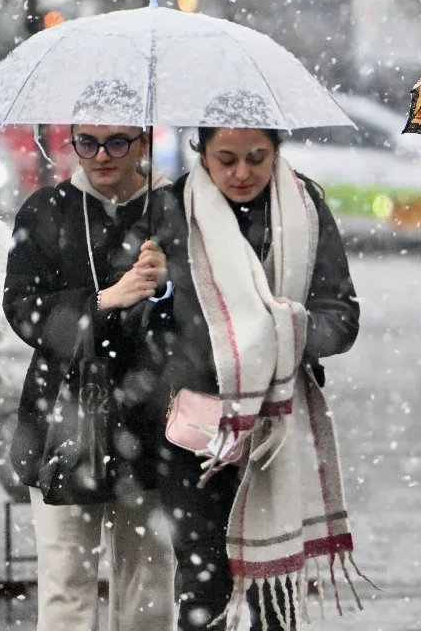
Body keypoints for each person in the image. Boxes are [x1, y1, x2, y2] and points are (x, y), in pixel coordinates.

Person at [151, 95, 360, 630]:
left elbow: (341, 316)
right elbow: (139, 327)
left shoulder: (305, 208)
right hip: (196, 430)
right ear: (201, 152)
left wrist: (285, 333)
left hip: (278, 426)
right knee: (203, 587)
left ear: (277, 150)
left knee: (274, 591)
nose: (242, 173)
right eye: (226, 159)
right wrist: (153, 296)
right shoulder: (167, 210)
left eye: (256, 157)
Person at [3, 80, 177, 631]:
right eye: (87, 142)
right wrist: (103, 301)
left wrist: (169, 289)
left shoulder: (173, 210)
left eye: (117, 141)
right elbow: (22, 308)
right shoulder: (46, 210)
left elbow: (206, 317)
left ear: (143, 141)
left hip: (152, 416)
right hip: (61, 416)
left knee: (149, 589)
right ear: (72, 141)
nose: (102, 155)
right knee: (65, 586)